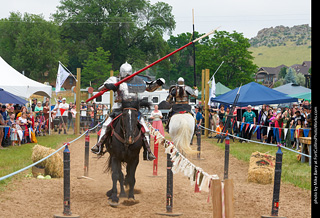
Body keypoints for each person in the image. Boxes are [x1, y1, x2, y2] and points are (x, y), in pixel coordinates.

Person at [91, 62, 165, 161]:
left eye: (128, 74)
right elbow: (101, 88)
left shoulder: (138, 81)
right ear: (121, 72)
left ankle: (147, 152)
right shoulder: (115, 80)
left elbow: (149, 87)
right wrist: (108, 85)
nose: (127, 76)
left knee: (145, 129)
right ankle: (99, 145)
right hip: (119, 108)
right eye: (125, 73)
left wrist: (158, 83)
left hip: (134, 109)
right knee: (106, 125)